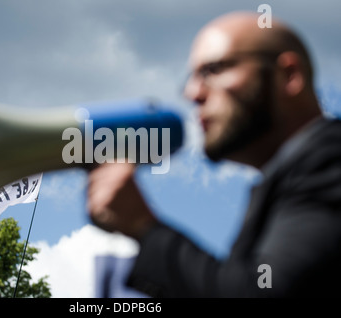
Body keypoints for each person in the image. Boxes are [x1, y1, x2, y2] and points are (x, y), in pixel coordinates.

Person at [86, 11, 341, 297]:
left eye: (215, 70)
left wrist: (144, 227)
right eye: (192, 77)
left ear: (289, 75)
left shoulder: (328, 163)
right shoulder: (298, 176)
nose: (194, 93)